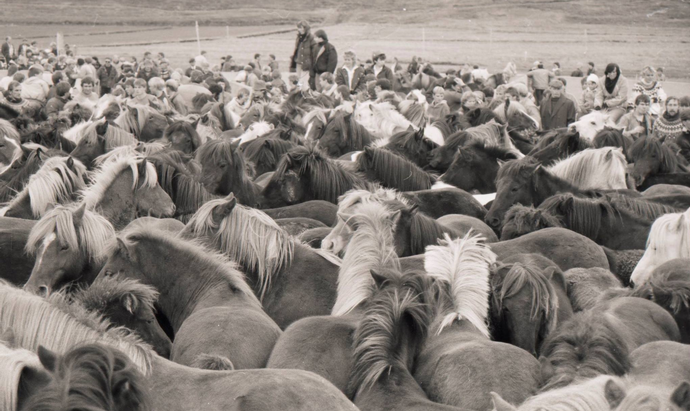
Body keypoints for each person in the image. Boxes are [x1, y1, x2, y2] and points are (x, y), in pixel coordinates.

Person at [290, 20, 317, 88]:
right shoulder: (298, 37)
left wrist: (310, 61)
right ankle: (300, 93)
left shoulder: (311, 38)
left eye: (302, 27)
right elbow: (297, 49)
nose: (300, 29)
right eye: (299, 27)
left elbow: (314, 51)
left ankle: (305, 93)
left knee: (305, 81)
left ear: (306, 28)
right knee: (298, 81)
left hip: (307, 63)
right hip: (298, 62)